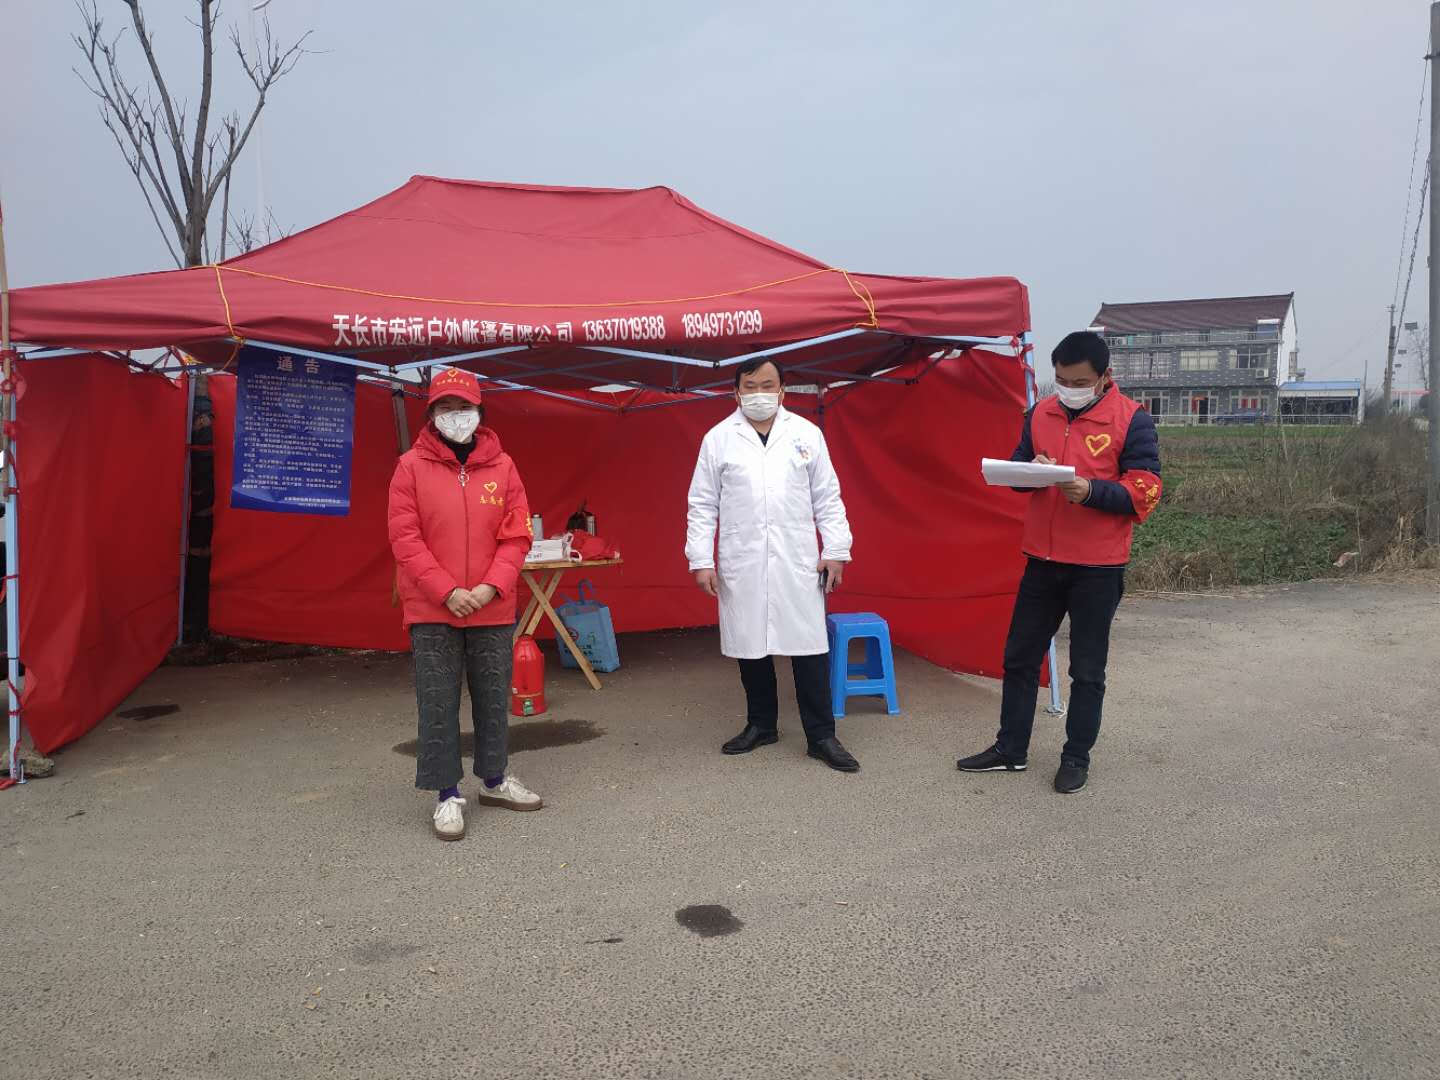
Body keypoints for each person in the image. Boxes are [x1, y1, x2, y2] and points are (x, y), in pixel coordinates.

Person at [956, 331, 1162, 794]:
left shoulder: (1132, 420)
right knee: (1019, 659)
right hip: (1042, 559)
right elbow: (1017, 471)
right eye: (1062, 380)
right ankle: (1010, 750)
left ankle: (1075, 758)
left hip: (1098, 567)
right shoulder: (1040, 413)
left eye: (1080, 382)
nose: (1069, 389)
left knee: (1086, 671)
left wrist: (1091, 491)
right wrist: (1033, 471)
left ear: (1105, 377)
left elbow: (1146, 489)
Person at [388, 368, 542, 840]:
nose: (456, 416)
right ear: (431, 415)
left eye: (464, 407)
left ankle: (494, 780)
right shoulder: (410, 466)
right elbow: (404, 537)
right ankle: (446, 794)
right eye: (445, 408)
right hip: (433, 608)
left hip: (491, 605)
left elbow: (518, 534)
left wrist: (492, 585)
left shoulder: (504, 466)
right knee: (437, 701)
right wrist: (446, 590)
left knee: (493, 697)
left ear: (480, 412)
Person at [685, 358, 859, 772]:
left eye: (767, 385)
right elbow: (702, 504)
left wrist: (836, 548)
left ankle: (821, 735)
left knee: (808, 647)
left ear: (782, 391)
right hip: (742, 557)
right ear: (736, 392)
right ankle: (761, 724)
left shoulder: (806, 434)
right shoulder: (718, 439)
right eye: (750, 386)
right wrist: (701, 559)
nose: (759, 394)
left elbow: (827, 497)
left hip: (797, 558)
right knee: (751, 645)